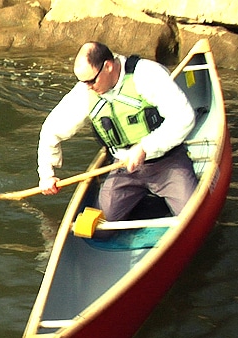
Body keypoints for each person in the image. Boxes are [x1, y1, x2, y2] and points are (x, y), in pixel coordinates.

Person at [37, 41, 198, 222]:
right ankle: (146, 203)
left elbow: (184, 117)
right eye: (83, 81)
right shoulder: (84, 90)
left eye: (91, 80)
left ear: (108, 66)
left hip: (168, 162)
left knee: (192, 218)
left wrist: (145, 147)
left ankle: (167, 199)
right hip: (123, 167)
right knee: (101, 229)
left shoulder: (147, 75)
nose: (87, 86)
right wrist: (47, 174)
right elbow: (50, 131)